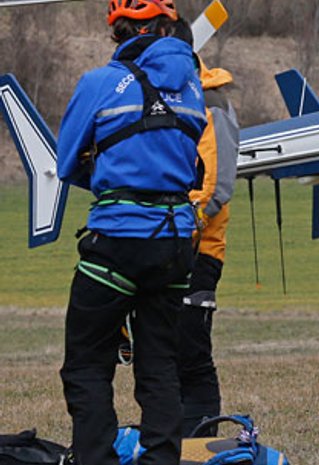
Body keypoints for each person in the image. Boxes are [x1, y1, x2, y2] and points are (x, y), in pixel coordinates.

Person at [56, 1, 206, 464]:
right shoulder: (192, 87)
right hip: (176, 242)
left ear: (118, 32)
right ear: (167, 27)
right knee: (160, 363)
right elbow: (190, 166)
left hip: (118, 241)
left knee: (86, 365)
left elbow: (66, 162)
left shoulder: (100, 83)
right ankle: (161, 458)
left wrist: (110, 175)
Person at [171, 18, 241, 437]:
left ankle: (198, 443)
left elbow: (213, 187)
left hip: (197, 248)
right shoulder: (179, 96)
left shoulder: (208, 101)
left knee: (191, 353)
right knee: (168, 353)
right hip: (174, 244)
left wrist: (176, 228)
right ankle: (174, 438)